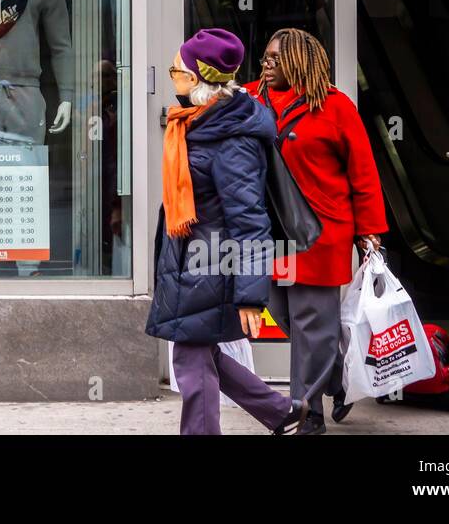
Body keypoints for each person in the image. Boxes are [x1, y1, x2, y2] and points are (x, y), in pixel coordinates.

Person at [145, 28, 305, 436]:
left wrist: (251, 296)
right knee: (201, 353)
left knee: (190, 361)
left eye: (175, 70)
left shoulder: (230, 138)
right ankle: (280, 412)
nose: (172, 77)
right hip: (191, 263)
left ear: (196, 79)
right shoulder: (197, 122)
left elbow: (250, 222)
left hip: (210, 266)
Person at [246, 28, 387, 434]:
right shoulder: (252, 100)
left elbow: (362, 173)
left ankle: (307, 414)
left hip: (321, 233)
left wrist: (369, 231)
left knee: (311, 322)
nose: (266, 65)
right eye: (265, 58)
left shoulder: (335, 106)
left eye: (275, 59)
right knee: (283, 313)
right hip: (270, 233)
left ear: (298, 62)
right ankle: (339, 376)